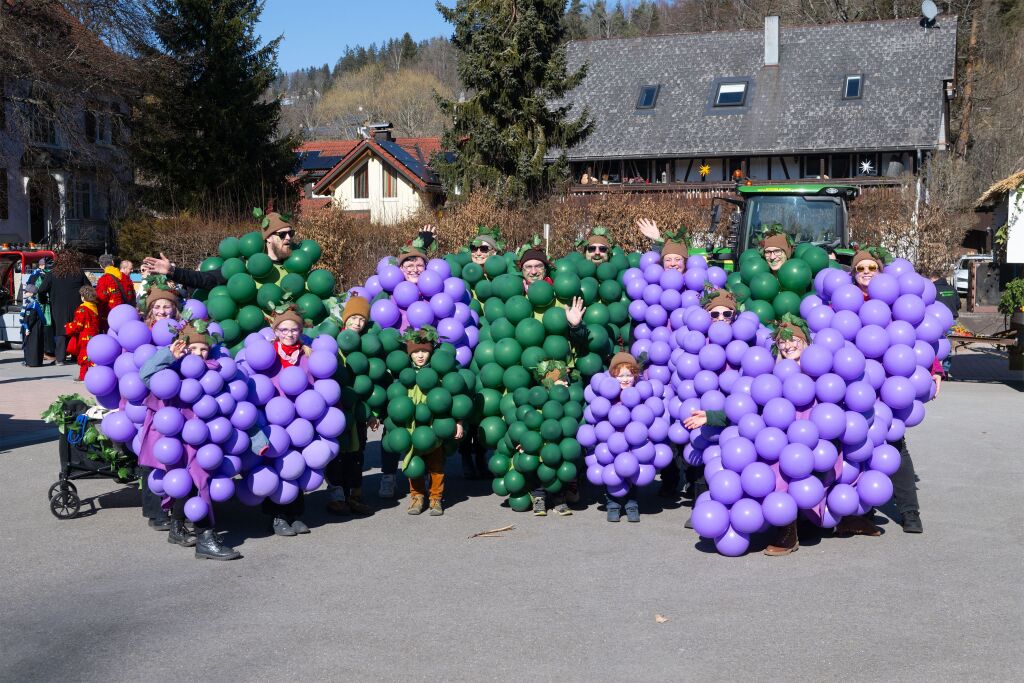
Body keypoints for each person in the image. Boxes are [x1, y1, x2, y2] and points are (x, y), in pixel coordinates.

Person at [138, 322, 241, 560]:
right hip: (178, 439)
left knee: (190, 482)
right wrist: (168, 355)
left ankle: (176, 527)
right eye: (193, 348)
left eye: (203, 349)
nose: (198, 354)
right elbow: (146, 375)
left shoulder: (214, 372)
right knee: (197, 482)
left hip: (202, 437)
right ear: (183, 348)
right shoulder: (172, 370)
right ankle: (205, 538)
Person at [851, 247, 936, 534]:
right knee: (856, 445)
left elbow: (918, 336)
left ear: (880, 272)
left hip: (890, 386)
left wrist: (935, 370)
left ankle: (910, 512)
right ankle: (862, 509)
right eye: (860, 269)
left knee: (895, 443)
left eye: (871, 268)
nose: (865, 274)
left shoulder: (895, 301)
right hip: (854, 387)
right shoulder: (842, 302)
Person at [141, 211, 296, 292]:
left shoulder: (296, 264)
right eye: (282, 234)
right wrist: (173, 271)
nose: (288, 238)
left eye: (291, 233)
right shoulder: (246, 265)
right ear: (268, 238)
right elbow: (208, 279)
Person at [262, 304, 314, 536]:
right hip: (273, 416)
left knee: (296, 462)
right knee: (277, 464)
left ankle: (296, 514)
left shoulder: (307, 354)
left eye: (294, 329)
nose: (289, 334)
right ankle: (278, 516)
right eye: (284, 329)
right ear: (276, 331)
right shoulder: (266, 352)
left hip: (299, 417)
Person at [402, 327, 464, 516]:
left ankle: (436, 498)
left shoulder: (440, 374)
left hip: (434, 427)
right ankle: (417, 497)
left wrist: (458, 421)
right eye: (416, 352)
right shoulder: (405, 375)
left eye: (424, 351)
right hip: (413, 428)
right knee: (414, 464)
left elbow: (454, 400)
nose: (420, 356)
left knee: (436, 465)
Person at [325, 296, 378, 516]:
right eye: (353, 318)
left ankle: (355, 495)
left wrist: (373, 413)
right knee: (336, 455)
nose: (357, 323)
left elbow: (372, 382)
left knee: (356, 455)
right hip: (336, 410)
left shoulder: (367, 345)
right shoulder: (332, 343)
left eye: (361, 319)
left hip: (357, 411)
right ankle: (337, 496)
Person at [604, 352, 645, 523]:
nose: (625, 379)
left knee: (631, 473)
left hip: (632, 444)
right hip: (613, 443)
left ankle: (631, 504)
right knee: (612, 474)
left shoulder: (639, 395)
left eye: (629, 375)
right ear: (613, 376)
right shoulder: (607, 397)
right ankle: (612, 504)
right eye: (621, 376)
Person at [37, 250, 91, 365]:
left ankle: (60, 358)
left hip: (58, 306)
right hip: (76, 305)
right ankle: (76, 356)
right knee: (76, 329)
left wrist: (44, 300)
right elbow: (88, 287)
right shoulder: (79, 273)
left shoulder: (52, 274)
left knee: (60, 331)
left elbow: (41, 290)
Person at [64, 286, 100, 382]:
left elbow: (78, 325)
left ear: (83, 297)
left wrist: (68, 326)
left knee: (84, 356)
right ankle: (91, 375)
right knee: (93, 355)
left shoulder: (82, 308)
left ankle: (83, 376)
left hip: (85, 336)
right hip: (94, 335)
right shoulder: (94, 307)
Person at [95, 253, 137, 328]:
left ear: (101, 266)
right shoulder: (125, 277)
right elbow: (133, 296)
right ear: (113, 263)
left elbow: (101, 300)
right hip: (128, 315)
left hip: (111, 317)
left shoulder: (103, 280)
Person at [19, 284, 45, 367]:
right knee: (31, 344)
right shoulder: (30, 302)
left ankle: (32, 362)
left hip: (32, 327)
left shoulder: (32, 303)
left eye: (26, 292)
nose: (24, 293)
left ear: (31, 293)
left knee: (32, 344)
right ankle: (29, 361)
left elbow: (30, 317)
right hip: (32, 326)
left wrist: (27, 327)